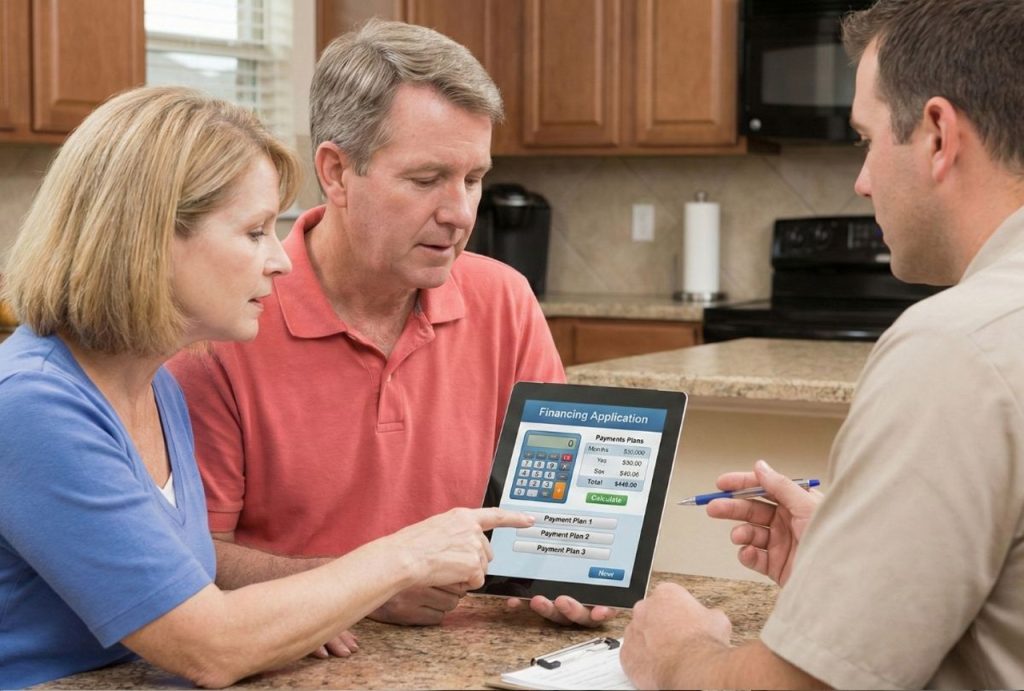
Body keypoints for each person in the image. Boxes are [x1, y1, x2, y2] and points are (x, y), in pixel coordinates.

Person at [0, 85, 532, 689]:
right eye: (254, 232)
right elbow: (209, 646)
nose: (279, 261)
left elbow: (180, 599)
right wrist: (405, 556)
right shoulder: (33, 406)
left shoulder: (154, 389)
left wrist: (304, 611)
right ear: (147, 242)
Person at [620, 0, 1024, 688]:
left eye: (866, 139)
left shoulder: (955, 348)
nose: (862, 180)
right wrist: (854, 577)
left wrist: (676, 649)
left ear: (936, 135)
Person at [167, 19, 609, 630]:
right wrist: (370, 585)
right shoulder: (224, 322)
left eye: (474, 179)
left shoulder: (505, 299)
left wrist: (569, 571)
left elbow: (550, 517)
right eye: (426, 180)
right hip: (295, 658)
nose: (459, 213)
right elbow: (189, 560)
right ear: (337, 172)